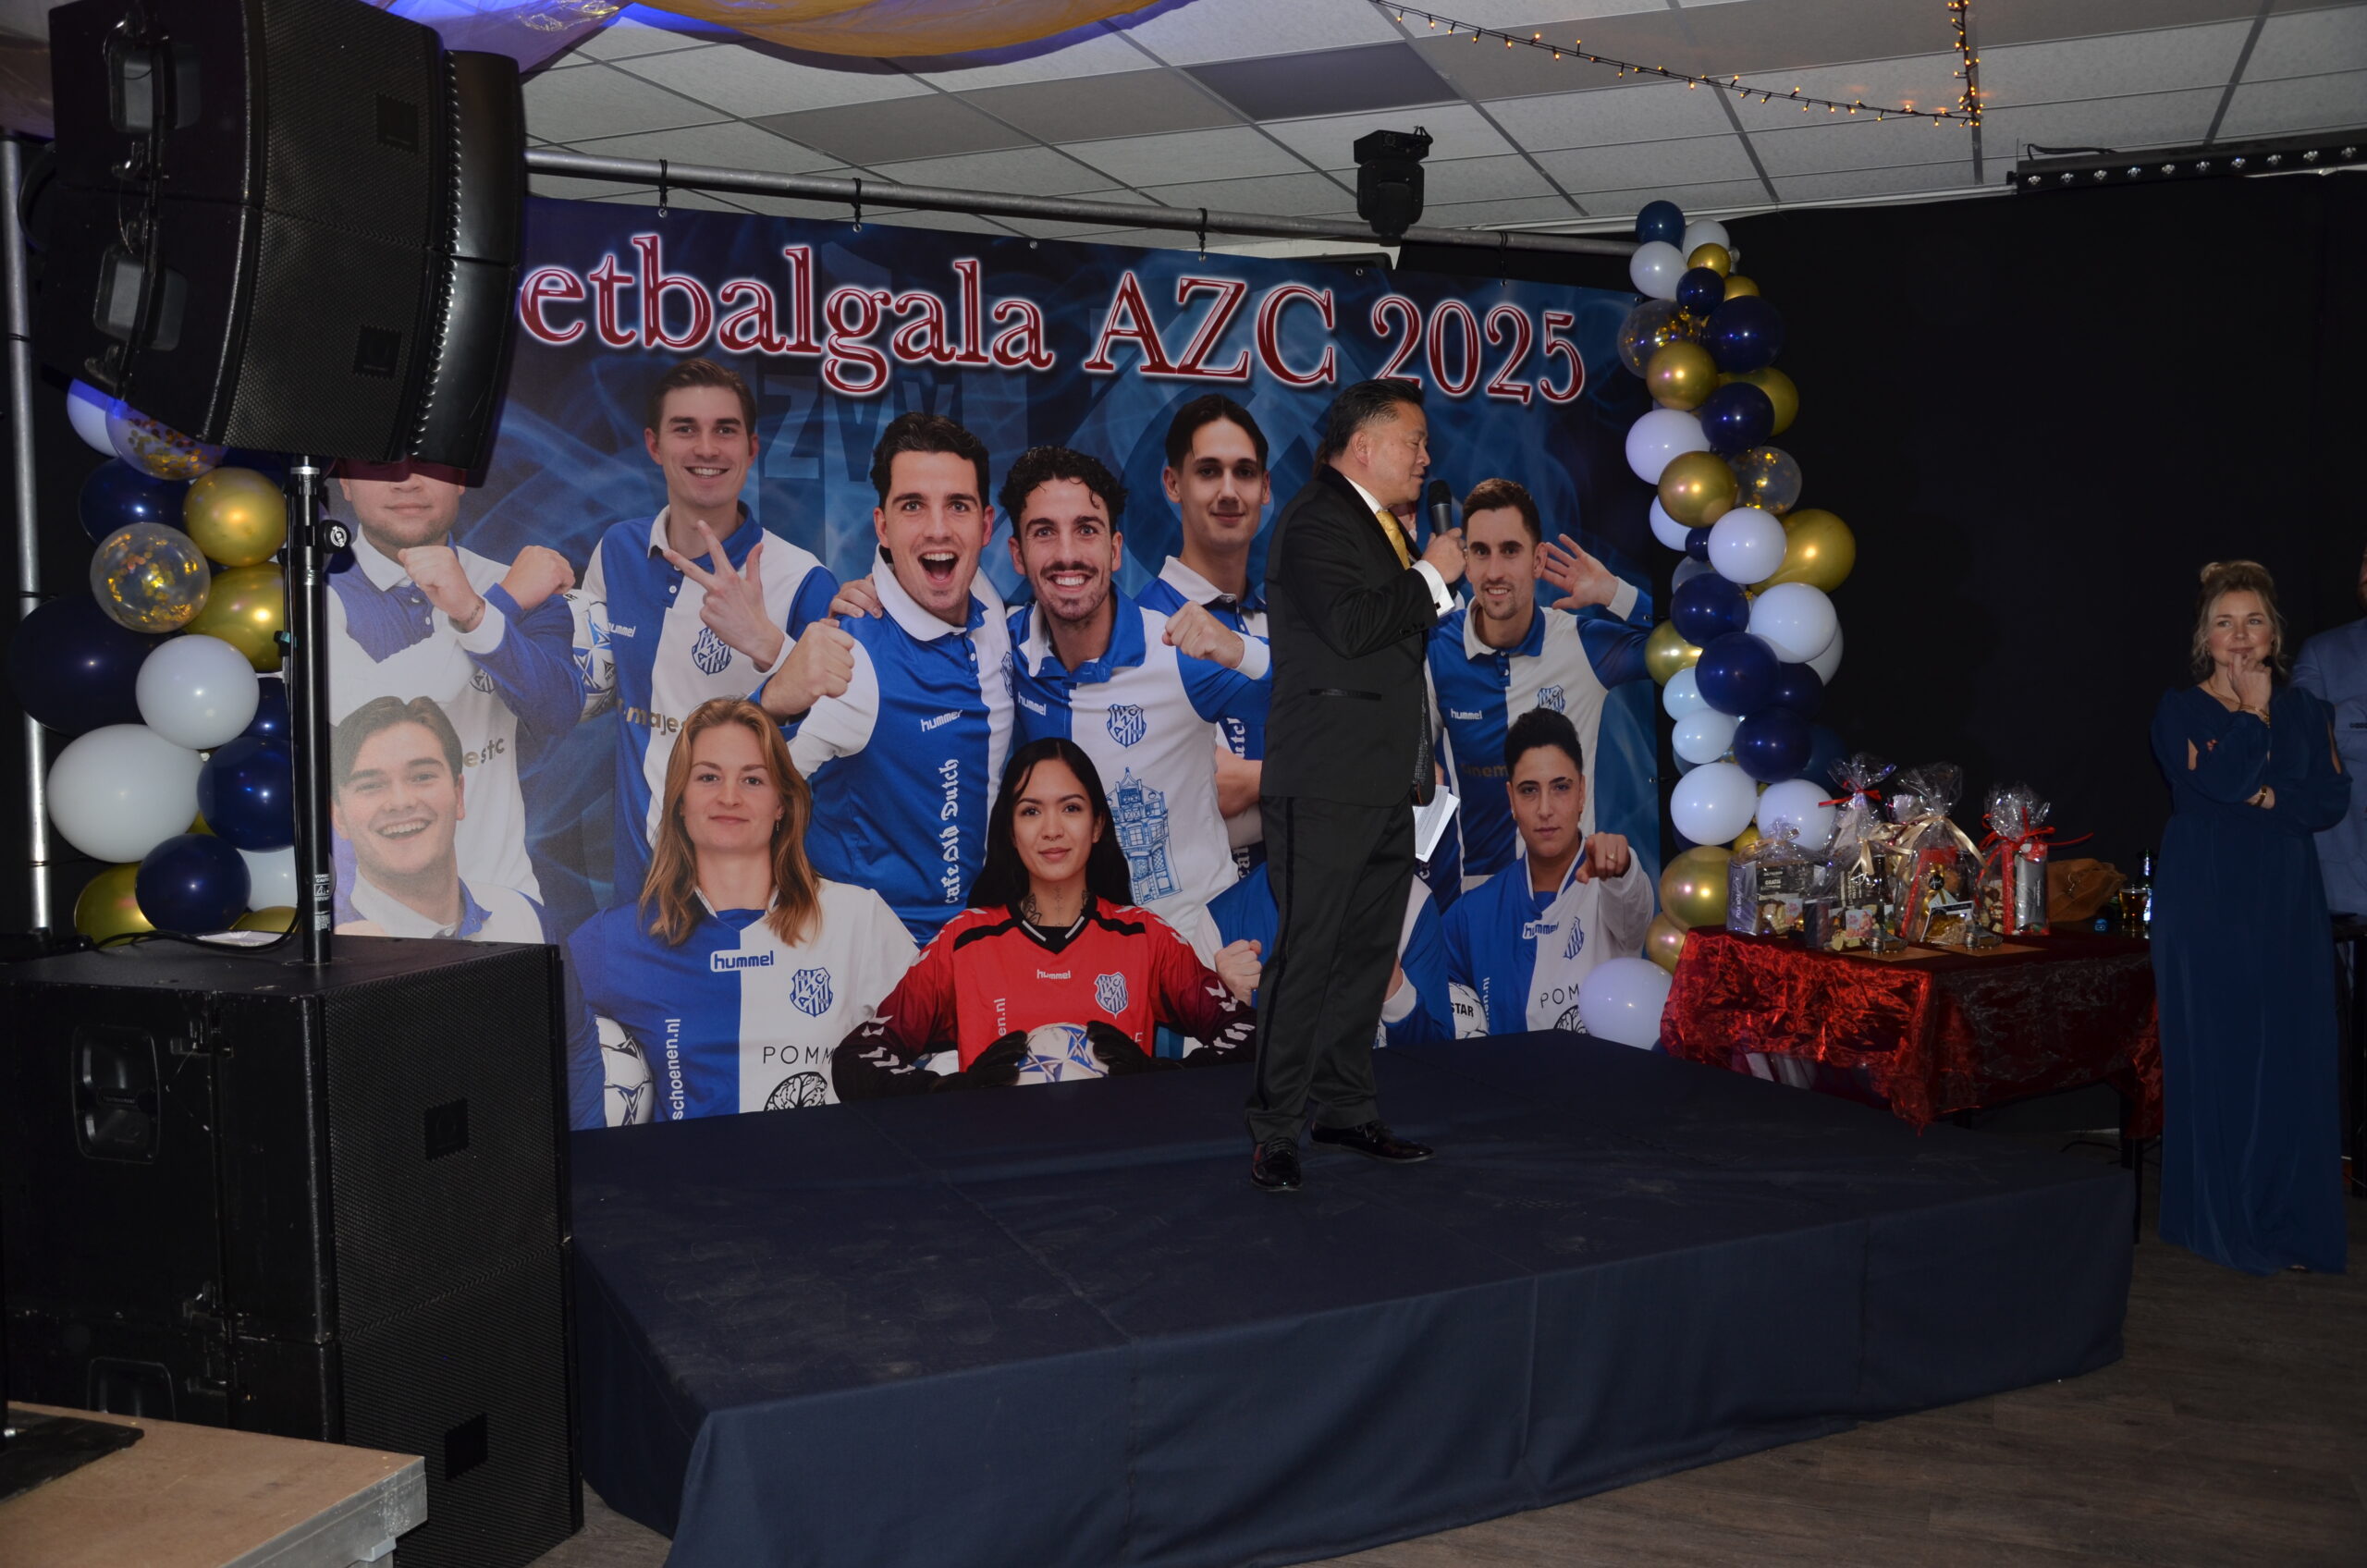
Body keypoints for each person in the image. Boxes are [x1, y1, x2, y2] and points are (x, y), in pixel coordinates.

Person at [1245, 378, 1466, 1192]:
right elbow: (1352, 626)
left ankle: (1343, 1107)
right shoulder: (1316, 518)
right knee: (1308, 953)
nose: (1426, 456)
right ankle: (1274, 1129)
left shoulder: (1380, 526)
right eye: (1415, 441)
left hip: (1383, 781)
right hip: (1324, 779)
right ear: (1364, 445)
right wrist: (1434, 573)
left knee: (1369, 954)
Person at [832, 738, 1258, 1097]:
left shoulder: (1144, 936)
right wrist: (951, 1091)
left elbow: (1251, 1037)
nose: (1052, 829)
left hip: (1121, 1159)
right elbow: (857, 1059)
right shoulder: (964, 941)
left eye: (1071, 808)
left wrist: (1159, 1077)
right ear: (1010, 831)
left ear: (1097, 825)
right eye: (1031, 811)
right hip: (1000, 1162)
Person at [566, 697, 913, 1130]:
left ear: (781, 803)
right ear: (680, 801)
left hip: (826, 1170)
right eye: (708, 777)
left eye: (752, 780)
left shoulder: (858, 920)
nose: (729, 797)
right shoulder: (615, 941)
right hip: (686, 1175)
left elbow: (936, 1052)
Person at [570, 358, 838, 898]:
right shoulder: (618, 551)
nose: (707, 448)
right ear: (654, 445)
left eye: (726, 430)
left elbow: (846, 731)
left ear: (752, 448)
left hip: (754, 894)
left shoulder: (802, 579)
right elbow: (584, 686)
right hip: (640, 889)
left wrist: (769, 646)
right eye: (686, 429)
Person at [2149, 560, 2349, 1275]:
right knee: (2223, 1052)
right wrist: (2252, 715)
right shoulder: (2179, 710)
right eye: (2224, 623)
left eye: (2254, 621)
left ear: (2275, 635)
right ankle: (2219, 1217)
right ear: (2204, 637)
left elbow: (2327, 803)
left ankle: (2286, 1218)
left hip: (2286, 896)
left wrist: (2267, 798)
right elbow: (2221, 782)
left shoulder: (2309, 711)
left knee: (2292, 1054)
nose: (2240, 636)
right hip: (2207, 896)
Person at [1001, 444, 1269, 955]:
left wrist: (1239, 650)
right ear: (1017, 554)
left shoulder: (1178, 652)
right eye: (1044, 532)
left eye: (1086, 529)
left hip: (1196, 952)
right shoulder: (1004, 645)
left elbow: (1314, 700)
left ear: (1115, 549)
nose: (1066, 554)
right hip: (1074, 956)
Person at [758, 412, 1015, 943]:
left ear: (986, 525)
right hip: (881, 964)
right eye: (912, 505)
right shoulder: (855, 659)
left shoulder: (989, 610)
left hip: (978, 952)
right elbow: (740, 792)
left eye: (958, 506)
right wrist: (771, 700)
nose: (938, 528)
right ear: (882, 527)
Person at [328, 459, 579, 901]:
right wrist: (490, 610)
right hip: (365, 913)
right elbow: (360, 710)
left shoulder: (511, 582)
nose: (406, 482)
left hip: (503, 901)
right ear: (346, 482)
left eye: (428, 463)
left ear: (461, 478)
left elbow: (558, 712)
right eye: (382, 465)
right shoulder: (311, 591)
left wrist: (483, 609)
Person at [1428, 477, 1651, 890]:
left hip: (1574, 894)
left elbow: (1692, 650)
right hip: (1477, 897)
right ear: (1466, 562)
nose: (1495, 571)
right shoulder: (1437, 647)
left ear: (1538, 559)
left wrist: (1614, 593)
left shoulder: (1582, 644)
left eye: (1510, 550)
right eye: (1481, 552)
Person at [1442, 708, 1652, 1037]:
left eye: (1561, 787)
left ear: (1581, 793)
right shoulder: (1472, 913)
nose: (1545, 809)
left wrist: (1622, 866)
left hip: (1607, 1072)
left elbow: (1633, 905)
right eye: (1529, 790)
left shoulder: (1612, 885)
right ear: (1511, 799)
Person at [1139, 395, 1274, 871]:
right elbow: (1213, 791)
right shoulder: (1139, 626)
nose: (1229, 491)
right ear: (1173, 484)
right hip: (1194, 910)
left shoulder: (1289, 622)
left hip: (1298, 907)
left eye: (1245, 472)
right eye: (1209, 471)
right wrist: (1318, 778)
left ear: (1265, 488)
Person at [329, 695, 546, 941]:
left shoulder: (525, 917)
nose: (401, 802)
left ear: (459, 795)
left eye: (422, 777)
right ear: (338, 816)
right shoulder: (328, 943)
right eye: (371, 785)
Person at [1208, 864, 1450, 1048]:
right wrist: (1234, 1016)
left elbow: (1440, 1068)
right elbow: (1204, 1086)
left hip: (1385, 1095)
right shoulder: (1221, 921)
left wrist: (1394, 991)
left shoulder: (1409, 898)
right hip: (1273, 1099)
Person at [2291, 538, 2367, 915]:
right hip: (2344, 881)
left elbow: (2326, 727)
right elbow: (2302, 738)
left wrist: (2336, 717)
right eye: (2366, 559)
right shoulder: (2322, 651)